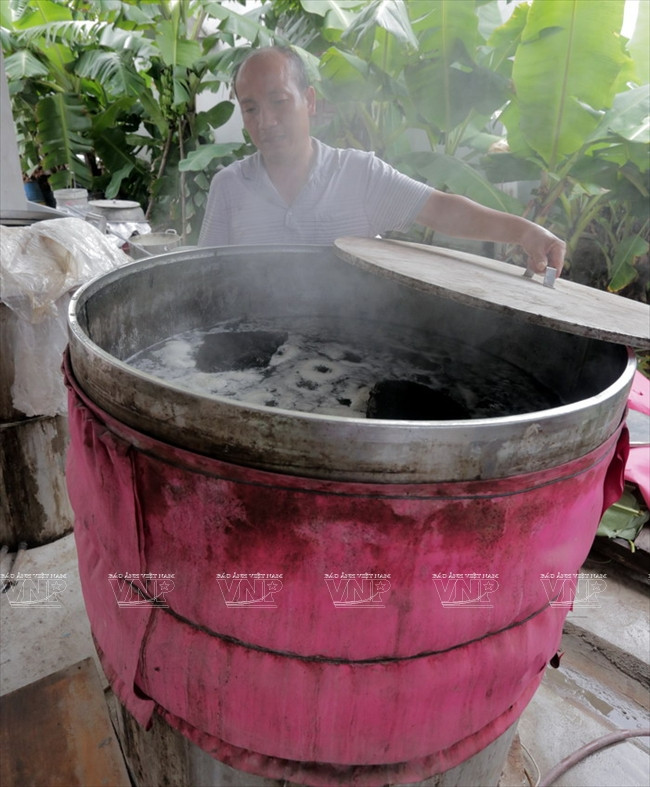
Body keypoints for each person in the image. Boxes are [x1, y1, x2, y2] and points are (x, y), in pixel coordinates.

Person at [199, 46, 566, 276]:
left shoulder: (357, 174)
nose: (265, 120)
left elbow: (441, 210)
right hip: (251, 352)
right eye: (251, 108)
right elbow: (203, 275)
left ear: (309, 100)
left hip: (347, 354)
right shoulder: (230, 186)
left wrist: (525, 232)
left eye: (279, 101)